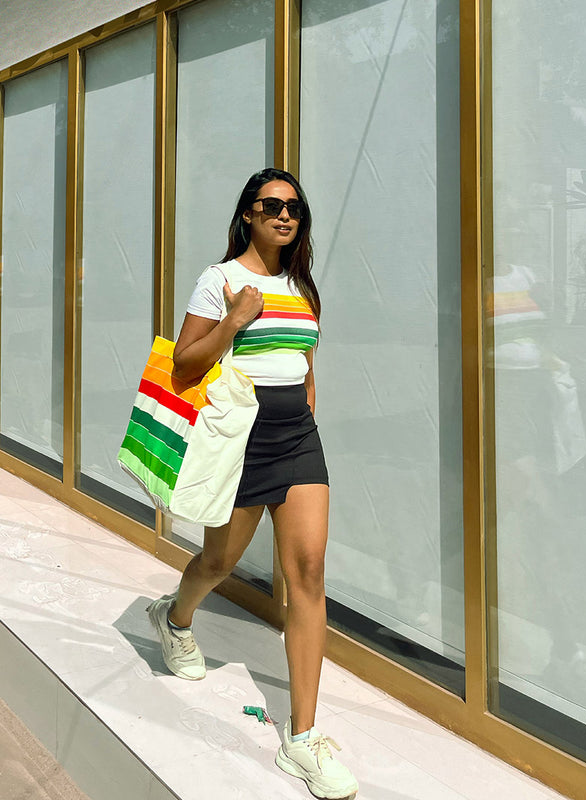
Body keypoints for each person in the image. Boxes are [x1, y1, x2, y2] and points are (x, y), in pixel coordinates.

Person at [146, 168, 359, 800]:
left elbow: (305, 361)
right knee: (219, 560)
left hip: (296, 439)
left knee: (309, 574)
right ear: (247, 214)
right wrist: (234, 321)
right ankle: (176, 617)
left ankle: (303, 738)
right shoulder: (221, 280)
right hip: (239, 439)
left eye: (293, 207)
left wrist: (308, 415)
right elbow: (183, 363)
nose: (283, 215)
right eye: (270, 205)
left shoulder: (303, 286)